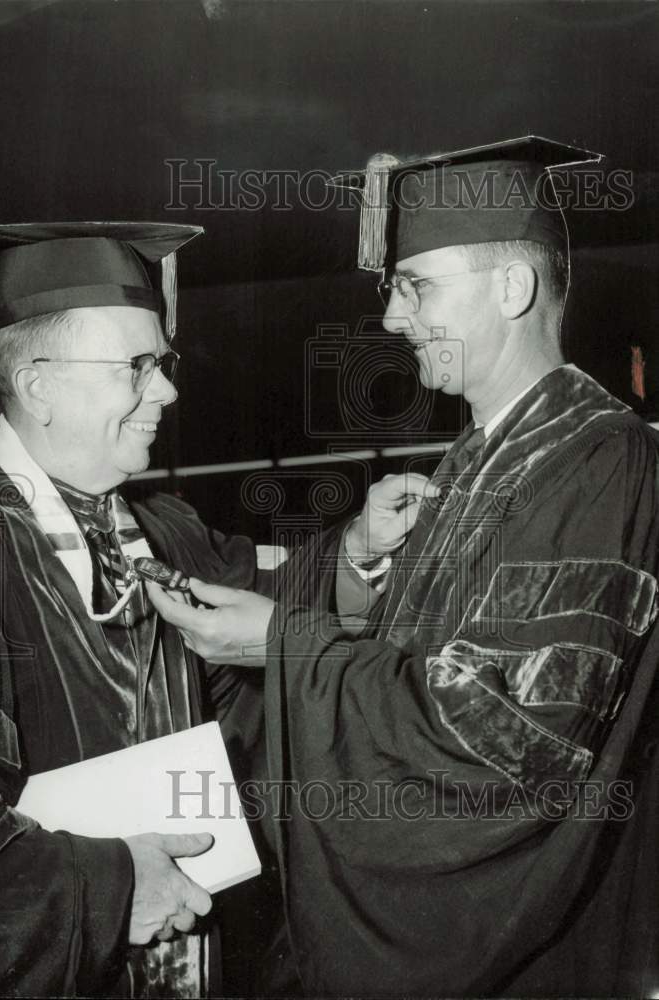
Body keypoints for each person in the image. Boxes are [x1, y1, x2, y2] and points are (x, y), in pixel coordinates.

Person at [147, 138, 659, 996]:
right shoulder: (476, 461)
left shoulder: (600, 460)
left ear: (513, 287)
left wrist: (284, 642)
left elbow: (497, 743)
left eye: (417, 285)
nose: (391, 319)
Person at [0, 223, 266, 997]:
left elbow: (267, 620)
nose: (167, 390)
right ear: (39, 389)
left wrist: (364, 548)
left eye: (161, 364)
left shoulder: (161, 528)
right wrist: (118, 885)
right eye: (138, 366)